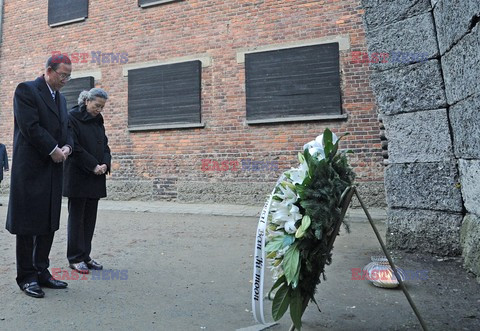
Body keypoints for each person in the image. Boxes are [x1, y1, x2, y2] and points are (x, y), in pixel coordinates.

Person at [5, 54, 74, 298]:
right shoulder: (27, 90)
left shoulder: (62, 99)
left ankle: (41, 270)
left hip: (54, 169)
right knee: (27, 224)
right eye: (62, 74)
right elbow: (30, 126)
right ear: (48, 71)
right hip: (32, 169)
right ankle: (26, 276)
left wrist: (67, 147)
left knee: (48, 223)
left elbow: (66, 129)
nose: (66, 79)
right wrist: (52, 149)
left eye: (69, 75)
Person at [63, 88, 111, 274]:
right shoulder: (72, 117)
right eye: (96, 105)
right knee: (77, 218)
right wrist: (93, 165)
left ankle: (85, 255)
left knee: (90, 218)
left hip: (97, 175)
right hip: (79, 175)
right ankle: (75, 258)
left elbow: (105, 144)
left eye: (102, 107)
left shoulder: (98, 119)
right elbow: (74, 147)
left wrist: (106, 163)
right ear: (86, 101)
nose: (99, 109)